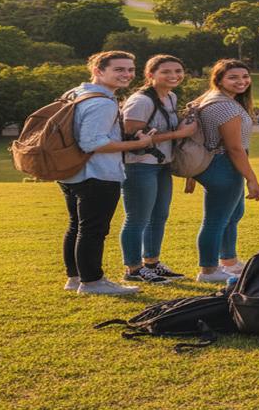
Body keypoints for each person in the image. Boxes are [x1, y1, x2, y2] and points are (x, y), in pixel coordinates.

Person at [59, 51, 157, 295]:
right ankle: (93, 282)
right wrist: (137, 145)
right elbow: (93, 143)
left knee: (77, 226)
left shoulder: (75, 93)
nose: (127, 74)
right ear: (98, 71)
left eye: (130, 69)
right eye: (119, 69)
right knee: (93, 229)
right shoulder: (102, 102)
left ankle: (75, 278)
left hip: (71, 171)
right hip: (98, 174)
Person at [119, 54, 198, 283]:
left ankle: (151, 263)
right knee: (137, 218)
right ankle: (133, 269)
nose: (174, 76)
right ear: (150, 75)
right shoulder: (141, 101)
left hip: (162, 165)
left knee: (159, 216)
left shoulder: (171, 97)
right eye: (166, 72)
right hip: (140, 166)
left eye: (178, 71)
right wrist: (178, 134)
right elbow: (131, 138)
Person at [191, 59, 259, 283]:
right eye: (233, 77)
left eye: (245, 76)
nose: (241, 81)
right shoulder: (225, 106)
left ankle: (229, 262)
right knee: (216, 220)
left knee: (231, 216)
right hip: (223, 164)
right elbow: (234, 148)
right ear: (219, 79)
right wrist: (252, 179)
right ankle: (209, 271)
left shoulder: (213, 99)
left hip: (219, 164)